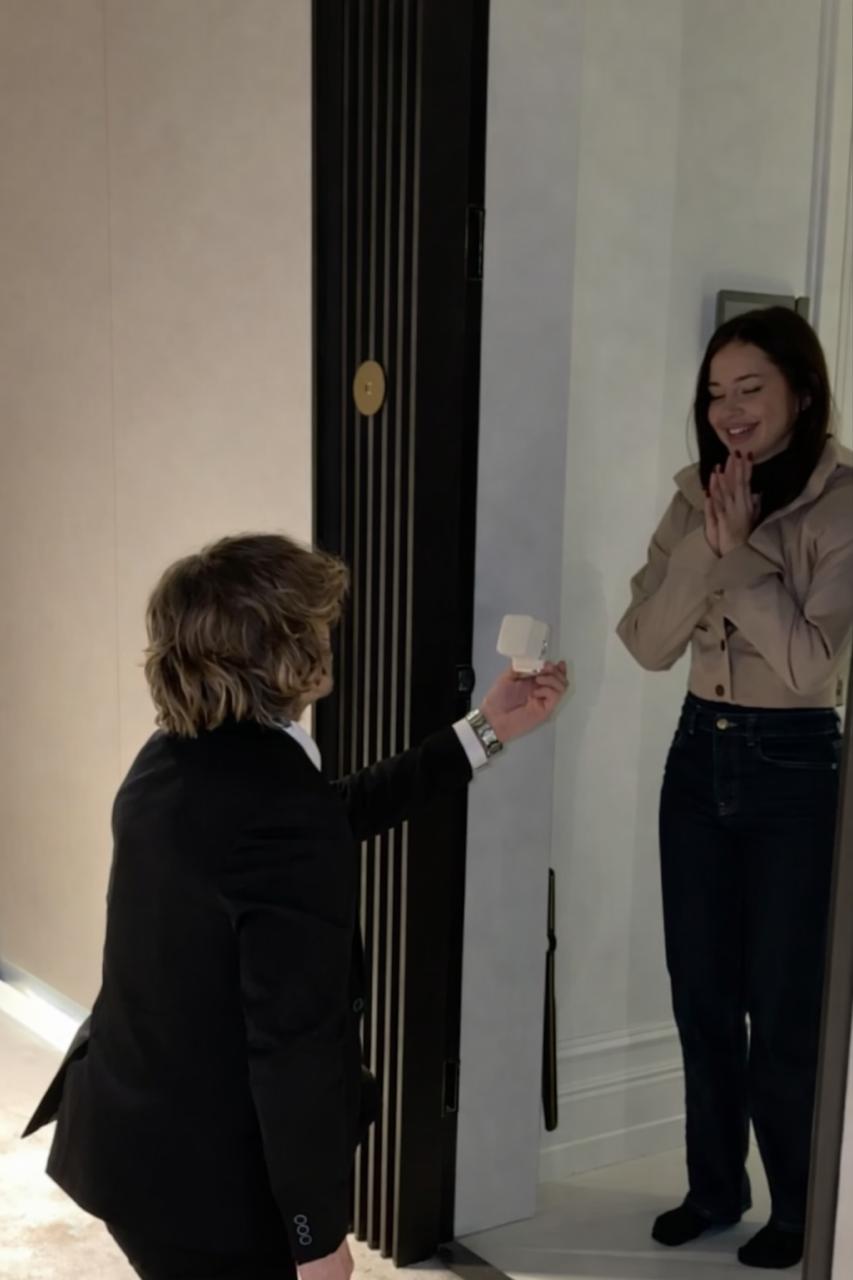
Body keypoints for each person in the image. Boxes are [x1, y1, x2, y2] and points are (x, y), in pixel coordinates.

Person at [23, 532, 568, 1280]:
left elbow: (324, 815)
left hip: (130, 1140)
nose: (328, 633)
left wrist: (487, 728)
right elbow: (292, 1044)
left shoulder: (175, 756)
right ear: (280, 653)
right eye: (316, 622)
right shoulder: (275, 806)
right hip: (209, 1190)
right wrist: (314, 1235)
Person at [618, 307, 853, 1269]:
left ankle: (798, 1207)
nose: (729, 410)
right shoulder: (693, 495)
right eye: (715, 392)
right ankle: (712, 1189)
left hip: (796, 764)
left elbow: (807, 666)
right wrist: (704, 545)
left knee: (784, 1005)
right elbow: (646, 643)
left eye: (750, 387)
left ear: (802, 389)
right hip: (695, 755)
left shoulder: (841, 503)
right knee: (702, 997)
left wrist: (739, 554)